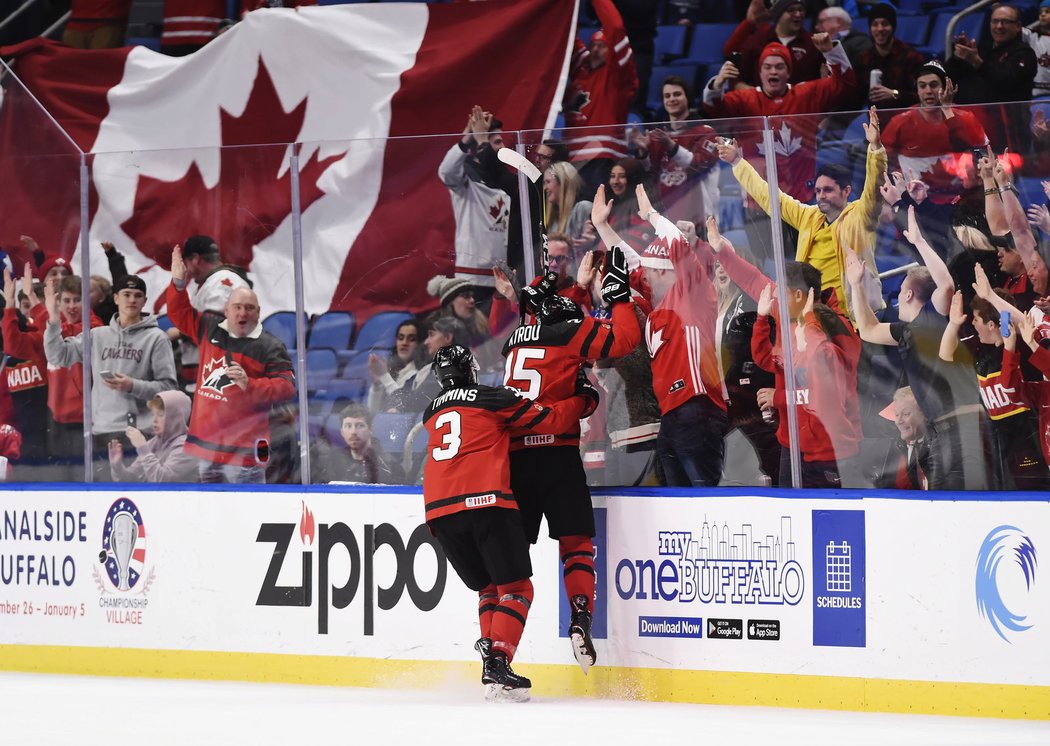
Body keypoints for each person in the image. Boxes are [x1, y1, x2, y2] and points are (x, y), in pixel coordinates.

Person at [422, 344, 598, 701]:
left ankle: (493, 666)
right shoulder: (492, 397)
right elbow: (547, 419)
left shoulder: (430, 411)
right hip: (486, 502)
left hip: (439, 514)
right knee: (517, 589)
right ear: (470, 369)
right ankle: (499, 662)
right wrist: (583, 398)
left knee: (489, 589)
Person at [502, 239, 641, 672]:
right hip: (558, 456)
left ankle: (495, 651)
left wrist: (576, 290)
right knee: (577, 543)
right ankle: (580, 614)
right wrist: (616, 297)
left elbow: (551, 324)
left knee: (509, 569)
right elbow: (624, 341)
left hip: (515, 460)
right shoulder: (569, 330)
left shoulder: (515, 339)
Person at [708, 219, 862, 487]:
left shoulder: (833, 327)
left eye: (782, 290)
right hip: (791, 442)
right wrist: (722, 250)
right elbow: (754, 280)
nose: (775, 294)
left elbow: (824, 396)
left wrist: (778, 396)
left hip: (829, 447)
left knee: (827, 523)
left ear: (800, 295)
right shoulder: (785, 313)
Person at [594, 185, 727, 487]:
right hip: (673, 413)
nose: (646, 276)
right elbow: (632, 263)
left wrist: (652, 215)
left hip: (698, 407)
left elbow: (678, 246)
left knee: (702, 498)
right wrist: (603, 226)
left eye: (653, 271)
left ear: (670, 272)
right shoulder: (658, 300)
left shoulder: (694, 294)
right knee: (673, 497)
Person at [846, 208, 987, 490]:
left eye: (899, 292)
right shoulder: (907, 330)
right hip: (940, 433)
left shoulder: (933, 317)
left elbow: (945, 284)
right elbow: (869, 330)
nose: (897, 298)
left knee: (966, 507)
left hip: (965, 431)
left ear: (908, 294)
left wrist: (919, 242)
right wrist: (856, 285)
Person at [717, 107, 886, 322]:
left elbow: (874, 187)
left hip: (853, 319)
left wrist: (875, 148)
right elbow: (770, 197)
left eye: (828, 190)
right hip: (812, 317)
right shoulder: (808, 216)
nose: (821, 196)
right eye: (817, 191)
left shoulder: (860, 216)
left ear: (846, 192)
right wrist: (737, 163)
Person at [166, 244, 295, 484]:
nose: (242, 313)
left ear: (258, 313)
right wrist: (178, 282)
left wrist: (251, 384)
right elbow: (178, 312)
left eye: (249, 308)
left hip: (245, 451)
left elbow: (286, 387)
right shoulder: (209, 327)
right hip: (208, 447)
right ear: (226, 310)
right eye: (237, 307)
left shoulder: (270, 346)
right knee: (212, 515)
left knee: (248, 514)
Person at [43, 273, 178, 479]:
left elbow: (168, 389)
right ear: (115, 298)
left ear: (144, 301)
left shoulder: (157, 338)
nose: (132, 299)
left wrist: (133, 385)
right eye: (126, 294)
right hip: (102, 432)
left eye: (137, 295)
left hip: (142, 432)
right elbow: (59, 355)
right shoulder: (97, 335)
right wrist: (53, 321)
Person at [940, 287, 1050, 490]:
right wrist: (954, 324)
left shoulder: (1024, 350)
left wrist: (1011, 347)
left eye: (975, 319)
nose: (972, 324)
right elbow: (945, 355)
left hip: (1030, 443)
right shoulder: (980, 348)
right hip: (998, 446)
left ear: (991, 324)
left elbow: (1017, 388)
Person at [3, 268, 103, 481]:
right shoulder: (50, 331)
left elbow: (63, 337)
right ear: (58, 303)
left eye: (77, 300)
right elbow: (13, 345)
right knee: (59, 482)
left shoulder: (96, 329)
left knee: (82, 483)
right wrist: (10, 307)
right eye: (66, 300)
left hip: (87, 423)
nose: (72, 306)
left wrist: (39, 307)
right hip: (55, 424)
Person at [881, 61, 989, 206]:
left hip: (962, 203)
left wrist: (947, 110)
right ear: (917, 90)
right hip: (915, 203)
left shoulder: (966, 119)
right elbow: (883, 164)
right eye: (922, 86)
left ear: (946, 88)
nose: (928, 91)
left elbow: (983, 156)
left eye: (933, 85)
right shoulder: (900, 122)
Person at [563, 0, 639, 193]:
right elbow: (566, 32)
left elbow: (615, 28)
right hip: (571, 159)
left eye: (602, 46)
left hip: (602, 158)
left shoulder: (618, 76)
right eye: (593, 45)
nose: (595, 49)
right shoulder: (580, 69)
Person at [437, 105, 515, 290]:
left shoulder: (509, 180)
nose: (502, 147)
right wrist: (467, 139)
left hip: (506, 277)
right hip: (472, 277)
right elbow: (446, 172)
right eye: (496, 142)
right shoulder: (466, 178)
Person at [632, 76, 720, 229]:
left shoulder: (706, 133)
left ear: (688, 98)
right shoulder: (655, 136)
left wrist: (671, 146)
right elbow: (648, 174)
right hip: (662, 217)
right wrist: (644, 152)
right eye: (667, 96)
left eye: (677, 94)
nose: (672, 99)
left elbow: (697, 164)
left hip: (699, 220)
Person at [946, 4, 1037, 152]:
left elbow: (1005, 82)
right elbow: (949, 76)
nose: (999, 26)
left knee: (1005, 174)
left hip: (1009, 135)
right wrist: (959, 58)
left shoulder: (1025, 54)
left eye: (1006, 22)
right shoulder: (983, 48)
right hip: (974, 129)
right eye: (995, 21)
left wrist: (977, 62)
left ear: (1018, 26)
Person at [169, 234, 252, 387]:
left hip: (222, 376)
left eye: (186, 262)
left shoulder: (223, 281)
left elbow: (215, 327)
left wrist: (179, 333)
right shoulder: (208, 283)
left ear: (195, 259)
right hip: (206, 374)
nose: (185, 268)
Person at [108, 391, 198, 482]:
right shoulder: (153, 443)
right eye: (153, 414)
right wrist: (117, 467)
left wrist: (142, 448)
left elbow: (162, 481)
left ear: (176, 417)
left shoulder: (189, 447)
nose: (154, 420)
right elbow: (131, 479)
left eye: (160, 415)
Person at [854, 3, 927, 114]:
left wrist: (894, 93)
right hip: (875, 120)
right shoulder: (864, 58)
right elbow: (855, 96)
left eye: (885, 24)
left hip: (906, 118)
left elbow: (923, 95)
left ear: (893, 26)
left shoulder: (911, 56)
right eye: (875, 24)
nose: (880, 29)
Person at [324, 403, 406, 485]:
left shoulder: (388, 464)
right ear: (342, 431)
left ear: (370, 429)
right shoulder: (334, 460)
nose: (353, 432)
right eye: (348, 426)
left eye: (360, 425)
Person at [871, 386, 932, 490]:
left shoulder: (941, 447)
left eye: (906, 414)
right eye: (897, 414)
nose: (898, 421)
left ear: (924, 414)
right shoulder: (895, 449)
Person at [367, 319, 425, 414]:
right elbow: (372, 413)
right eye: (400, 338)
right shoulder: (390, 371)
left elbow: (406, 405)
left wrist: (384, 376)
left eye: (411, 339)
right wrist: (377, 384)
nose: (404, 343)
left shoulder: (423, 374)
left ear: (420, 343)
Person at [542, 161, 596, 263]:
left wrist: (594, 242)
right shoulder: (553, 221)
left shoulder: (584, 208)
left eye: (548, 182)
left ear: (563, 182)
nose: (545, 188)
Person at [1023, 0, 1050, 98]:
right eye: (1041, 12)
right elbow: (1014, 29)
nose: (1042, 15)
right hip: (1037, 95)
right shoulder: (1033, 36)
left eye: (1047, 12)